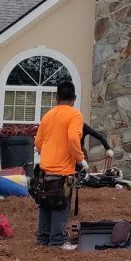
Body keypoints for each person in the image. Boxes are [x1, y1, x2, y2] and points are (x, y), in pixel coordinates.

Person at [33, 80, 84, 248]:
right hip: (63, 172)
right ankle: (58, 241)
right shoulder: (75, 115)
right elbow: (72, 138)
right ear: (74, 98)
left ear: (56, 98)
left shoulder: (48, 115)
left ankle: (43, 238)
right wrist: (80, 159)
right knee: (61, 205)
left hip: (44, 169)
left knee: (46, 203)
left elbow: (38, 142)